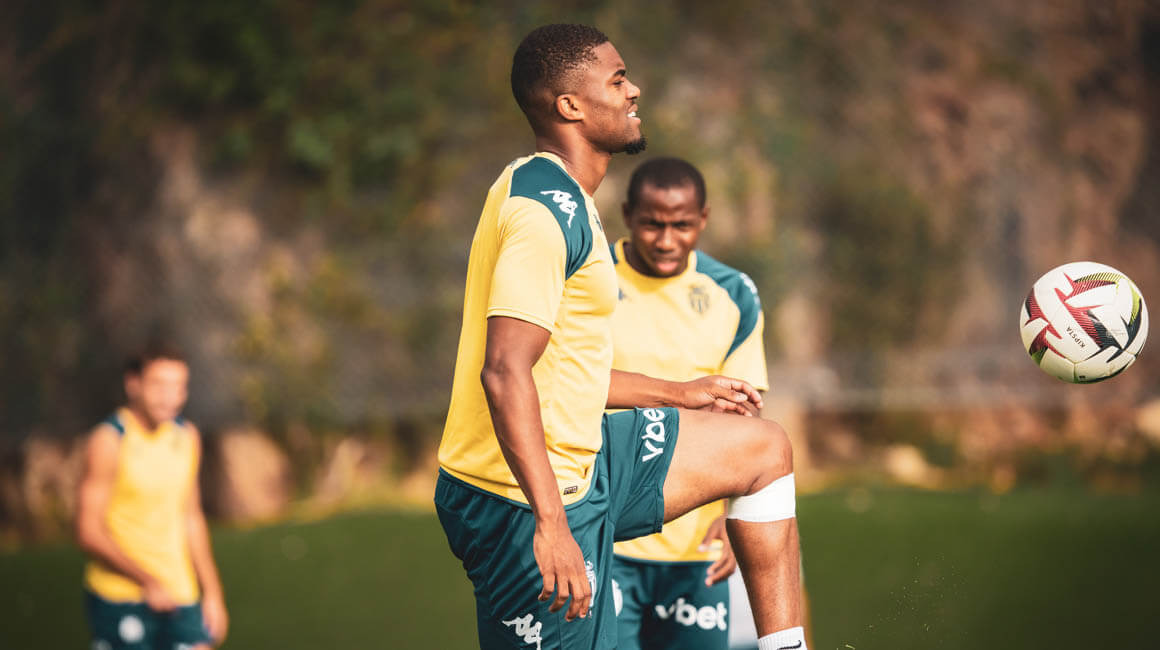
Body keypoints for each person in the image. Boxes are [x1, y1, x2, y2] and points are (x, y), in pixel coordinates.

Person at [435, 24, 806, 650]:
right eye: (617, 80)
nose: (633, 90)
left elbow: (563, 374)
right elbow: (503, 372)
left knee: (762, 450)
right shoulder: (542, 213)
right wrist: (552, 524)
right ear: (570, 106)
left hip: (584, 454)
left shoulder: (565, 195)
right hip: (516, 496)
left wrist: (679, 393)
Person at [608, 157, 766, 649]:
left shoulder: (733, 293)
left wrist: (736, 516)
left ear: (704, 218)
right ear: (627, 215)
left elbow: (744, 423)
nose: (666, 240)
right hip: (602, 537)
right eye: (652, 224)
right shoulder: (587, 282)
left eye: (681, 225)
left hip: (697, 549)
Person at [76, 342, 228, 650]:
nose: (169, 397)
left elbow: (191, 518)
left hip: (180, 592)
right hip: (120, 597)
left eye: (178, 387)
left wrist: (213, 593)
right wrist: (147, 581)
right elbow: (88, 532)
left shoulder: (187, 437)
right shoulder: (110, 440)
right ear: (133, 384)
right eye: (159, 385)